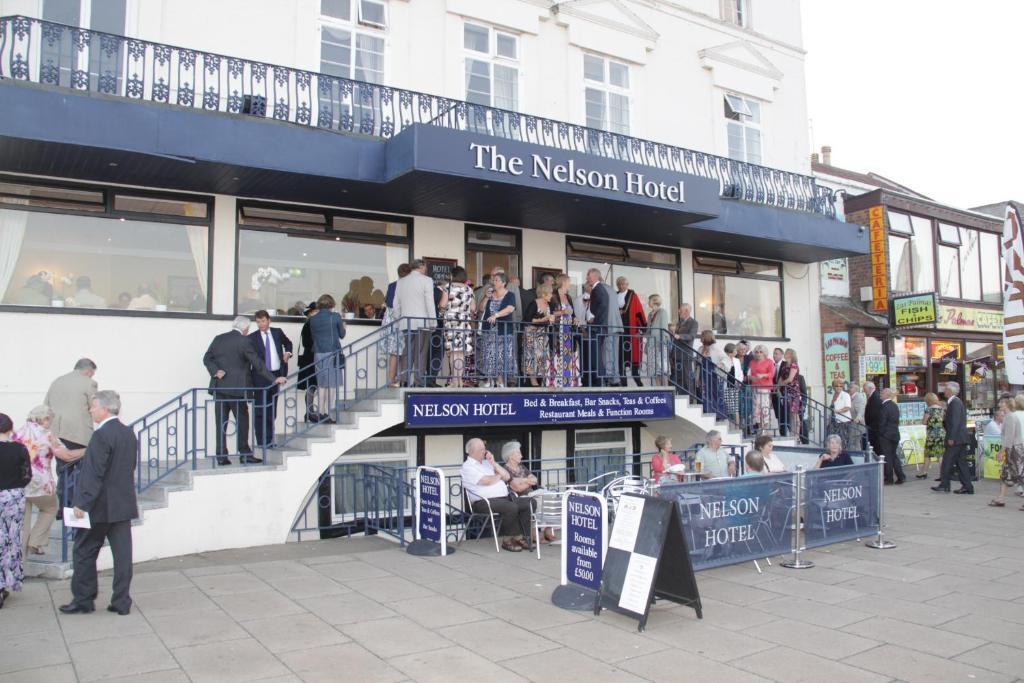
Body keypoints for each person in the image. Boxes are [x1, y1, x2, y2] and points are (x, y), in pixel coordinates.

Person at [59, 391, 138, 616]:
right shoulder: (128, 433)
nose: (91, 410)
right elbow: (128, 467)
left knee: (84, 551)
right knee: (123, 556)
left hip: (98, 506)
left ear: (104, 408)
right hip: (122, 503)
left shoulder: (101, 435)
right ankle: (122, 601)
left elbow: (93, 473)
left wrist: (81, 503)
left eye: (93, 407)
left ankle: (83, 599)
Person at [203, 316, 286, 465]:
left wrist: (215, 371)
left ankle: (221, 456)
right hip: (238, 389)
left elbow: (207, 358)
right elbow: (258, 363)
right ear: (245, 329)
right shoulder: (244, 341)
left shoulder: (219, 338)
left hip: (220, 387)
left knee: (221, 422)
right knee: (242, 422)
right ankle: (245, 454)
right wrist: (274, 378)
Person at [16, 406, 83, 556]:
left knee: (23, 523)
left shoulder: (18, 433)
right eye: (50, 421)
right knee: (51, 508)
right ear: (44, 419)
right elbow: (67, 456)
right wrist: (88, 449)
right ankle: (35, 541)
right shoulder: (47, 435)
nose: (50, 424)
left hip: (19, 482)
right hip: (40, 483)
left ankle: (21, 567)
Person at [45, 358, 98, 514]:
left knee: (63, 470)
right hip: (78, 433)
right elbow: (94, 407)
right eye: (92, 374)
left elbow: (46, 406)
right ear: (88, 371)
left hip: (57, 432)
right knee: (80, 473)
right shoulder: (89, 383)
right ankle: (75, 510)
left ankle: (63, 507)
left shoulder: (57, 381)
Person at [460, 438, 532, 552]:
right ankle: (508, 540)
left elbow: (507, 477)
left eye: (484, 449)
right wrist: (499, 476)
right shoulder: (467, 467)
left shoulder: (487, 464)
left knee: (528, 503)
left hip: (502, 498)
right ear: (473, 451)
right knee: (510, 507)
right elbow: (486, 481)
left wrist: (493, 463)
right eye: (482, 449)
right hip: (483, 502)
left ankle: (523, 536)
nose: (485, 451)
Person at [0, 413, 31, 609]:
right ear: (10, 429)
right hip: (13, 497)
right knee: (9, 541)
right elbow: (27, 475)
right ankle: (4, 583)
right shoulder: (19, 449)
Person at [248, 310, 293, 448]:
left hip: (276, 375)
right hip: (260, 377)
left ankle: (270, 439)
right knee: (261, 409)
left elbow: (288, 343)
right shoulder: (252, 337)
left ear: (269, 321)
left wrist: (288, 353)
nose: (260, 324)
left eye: (263, 321)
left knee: (271, 410)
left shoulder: (277, 332)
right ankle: (262, 441)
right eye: (258, 322)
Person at [391, 259, 437, 387]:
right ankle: (419, 381)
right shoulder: (426, 280)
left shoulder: (401, 281)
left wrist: (398, 319)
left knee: (407, 352)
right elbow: (429, 302)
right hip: (423, 323)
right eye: (425, 266)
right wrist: (433, 322)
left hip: (406, 323)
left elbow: (396, 304)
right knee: (421, 353)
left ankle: (404, 380)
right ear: (421, 267)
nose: (426, 269)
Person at [501, 441, 555, 543]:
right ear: (511, 456)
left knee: (550, 497)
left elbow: (534, 479)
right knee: (539, 500)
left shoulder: (521, 467)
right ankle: (535, 532)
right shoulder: (505, 470)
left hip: (530, 493)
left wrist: (524, 481)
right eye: (518, 453)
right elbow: (517, 488)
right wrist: (527, 481)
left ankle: (547, 528)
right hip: (518, 497)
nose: (521, 455)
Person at [308, 294, 346, 418]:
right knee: (332, 385)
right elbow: (341, 335)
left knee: (322, 385)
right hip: (332, 353)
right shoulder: (335, 316)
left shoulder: (312, 319)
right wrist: (344, 327)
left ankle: (321, 412)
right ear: (331, 304)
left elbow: (313, 337)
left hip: (318, 353)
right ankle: (329, 413)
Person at [479, 272, 518, 387]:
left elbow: (510, 309)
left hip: (503, 330)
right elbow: (481, 308)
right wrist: (486, 297)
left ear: (503, 283)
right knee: (489, 355)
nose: (493, 282)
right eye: (493, 280)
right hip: (489, 330)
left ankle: (500, 381)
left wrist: (496, 315)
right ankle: (490, 380)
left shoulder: (510, 295)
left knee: (501, 356)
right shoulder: (490, 294)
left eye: (496, 280)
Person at [934, 381, 971, 494]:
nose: (943, 391)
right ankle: (967, 487)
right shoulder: (954, 402)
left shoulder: (954, 403)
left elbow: (955, 422)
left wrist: (951, 437)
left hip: (956, 439)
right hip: (960, 438)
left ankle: (944, 484)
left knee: (947, 461)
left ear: (950, 391)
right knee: (961, 463)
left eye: (945, 389)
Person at [587, 268, 622, 386]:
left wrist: (595, 321)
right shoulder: (610, 288)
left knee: (607, 353)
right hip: (615, 324)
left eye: (589, 277)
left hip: (607, 325)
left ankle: (610, 381)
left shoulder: (598, 289)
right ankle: (614, 379)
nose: (587, 279)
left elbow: (602, 307)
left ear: (596, 277)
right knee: (612, 354)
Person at [443, 265, 476, 388]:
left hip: (451, 323)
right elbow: (473, 308)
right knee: (461, 354)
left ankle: (454, 381)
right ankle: (460, 380)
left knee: (452, 353)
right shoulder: (469, 289)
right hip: (464, 323)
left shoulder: (449, 287)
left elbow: (443, 304)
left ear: (453, 276)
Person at [989, 394, 1024, 508]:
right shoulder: (1010, 416)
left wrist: (1001, 452)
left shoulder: (1010, 417)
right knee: (1006, 474)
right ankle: (1001, 498)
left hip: (1014, 450)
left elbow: (1009, 437)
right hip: (1014, 449)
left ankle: (1001, 498)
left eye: (1001, 403)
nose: (999, 404)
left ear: (1007, 404)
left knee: (1019, 474)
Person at [382, 263, 411, 387]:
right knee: (402, 352)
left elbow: (388, 302)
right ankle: (400, 379)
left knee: (394, 353)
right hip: (401, 321)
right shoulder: (408, 287)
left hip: (390, 322)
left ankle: (392, 379)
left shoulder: (392, 285)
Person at [616, 276, 647, 387]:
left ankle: (639, 382)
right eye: (619, 284)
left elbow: (639, 312)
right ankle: (623, 383)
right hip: (619, 330)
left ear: (627, 285)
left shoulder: (632, 295)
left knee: (632, 357)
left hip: (631, 330)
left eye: (624, 284)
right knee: (620, 358)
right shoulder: (615, 295)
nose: (622, 286)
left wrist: (642, 329)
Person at [549, 274, 579, 388]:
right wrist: (563, 312)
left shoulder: (569, 297)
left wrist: (575, 318)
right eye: (569, 282)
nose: (570, 284)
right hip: (557, 330)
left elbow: (572, 313)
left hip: (568, 330)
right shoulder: (553, 296)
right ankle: (556, 381)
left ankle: (568, 380)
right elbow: (550, 313)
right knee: (557, 353)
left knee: (568, 354)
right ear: (563, 282)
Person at [523, 284, 555, 386]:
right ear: (544, 294)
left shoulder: (550, 305)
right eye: (550, 293)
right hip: (531, 334)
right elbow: (527, 319)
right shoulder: (534, 303)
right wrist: (541, 320)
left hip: (543, 334)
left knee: (542, 357)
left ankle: (542, 379)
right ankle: (533, 381)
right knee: (531, 357)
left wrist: (551, 320)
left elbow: (551, 319)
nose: (551, 295)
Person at [296, 301, 321, 423]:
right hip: (310, 358)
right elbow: (306, 343)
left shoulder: (311, 324)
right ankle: (310, 412)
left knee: (313, 386)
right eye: (315, 311)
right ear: (310, 313)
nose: (317, 314)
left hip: (311, 358)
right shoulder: (309, 325)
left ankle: (310, 412)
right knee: (312, 386)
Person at [876, 387, 906, 485]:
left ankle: (889, 479)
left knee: (887, 457)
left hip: (886, 435)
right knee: (893, 456)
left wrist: (881, 433)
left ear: (887, 395)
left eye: (882, 393)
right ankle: (901, 476)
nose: (880, 394)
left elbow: (882, 422)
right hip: (895, 434)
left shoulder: (884, 406)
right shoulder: (894, 405)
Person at [698, 330, 726, 419]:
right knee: (704, 393)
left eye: (702, 336)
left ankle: (718, 414)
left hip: (713, 374)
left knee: (714, 393)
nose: (700, 338)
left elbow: (725, 359)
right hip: (703, 373)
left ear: (706, 337)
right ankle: (707, 411)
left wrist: (721, 364)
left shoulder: (715, 348)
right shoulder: (701, 348)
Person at [670, 303, 699, 393]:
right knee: (678, 378)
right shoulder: (679, 322)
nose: (679, 312)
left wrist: (680, 336)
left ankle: (690, 399)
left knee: (686, 378)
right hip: (676, 354)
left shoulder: (693, 323)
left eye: (680, 310)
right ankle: (681, 397)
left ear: (686, 311)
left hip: (685, 354)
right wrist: (673, 332)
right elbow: (675, 337)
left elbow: (691, 336)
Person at [642, 294, 670, 385]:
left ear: (654, 301)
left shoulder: (662, 312)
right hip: (651, 344)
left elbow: (664, 328)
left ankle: (665, 390)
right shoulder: (650, 314)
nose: (648, 302)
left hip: (660, 344)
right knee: (654, 371)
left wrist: (663, 343)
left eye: (649, 300)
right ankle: (658, 390)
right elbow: (648, 330)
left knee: (662, 370)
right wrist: (642, 334)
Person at [748, 345, 775, 433]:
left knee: (765, 408)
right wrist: (752, 378)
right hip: (755, 388)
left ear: (764, 353)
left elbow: (772, 374)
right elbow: (748, 374)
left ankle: (765, 429)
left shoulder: (769, 362)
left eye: (761, 352)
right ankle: (760, 429)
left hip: (765, 388)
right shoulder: (752, 362)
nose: (758, 354)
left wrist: (763, 375)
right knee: (756, 409)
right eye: (757, 352)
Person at [918, 392, 946, 480]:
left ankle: (924, 472)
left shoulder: (929, 409)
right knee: (940, 454)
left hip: (932, 434)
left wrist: (929, 422)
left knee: (927, 454)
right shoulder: (941, 409)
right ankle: (942, 474)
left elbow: (924, 422)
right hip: (941, 433)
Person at [779, 349, 802, 440]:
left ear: (791, 355)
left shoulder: (794, 365)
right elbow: (781, 377)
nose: (785, 354)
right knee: (790, 413)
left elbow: (790, 379)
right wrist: (777, 386)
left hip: (793, 391)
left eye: (787, 353)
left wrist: (780, 384)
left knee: (794, 413)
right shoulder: (785, 365)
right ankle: (793, 433)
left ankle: (797, 435)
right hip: (786, 391)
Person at [720, 343, 744, 426]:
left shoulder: (736, 360)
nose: (736, 352)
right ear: (731, 351)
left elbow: (740, 373)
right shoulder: (723, 359)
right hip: (725, 386)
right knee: (727, 408)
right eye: (735, 350)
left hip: (734, 386)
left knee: (735, 409)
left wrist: (739, 382)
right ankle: (728, 426)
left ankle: (737, 427)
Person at [829, 379, 853, 448]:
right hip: (834, 420)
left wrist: (838, 411)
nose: (839, 387)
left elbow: (848, 407)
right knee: (834, 439)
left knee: (843, 439)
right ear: (833, 387)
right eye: (836, 386)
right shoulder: (832, 395)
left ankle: (843, 454)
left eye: (841, 386)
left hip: (844, 420)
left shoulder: (846, 395)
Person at [863, 381, 882, 456]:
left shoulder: (875, 397)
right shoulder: (872, 396)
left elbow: (874, 413)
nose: (864, 391)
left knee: (876, 449)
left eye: (865, 389)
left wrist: (870, 424)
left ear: (870, 388)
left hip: (874, 428)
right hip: (871, 427)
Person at [771, 347, 787, 435]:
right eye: (774, 353)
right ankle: (782, 432)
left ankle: (785, 432)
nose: (774, 355)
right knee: (778, 415)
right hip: (774, 394)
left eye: (776, 353)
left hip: (784, 393)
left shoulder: (785, 364)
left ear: (782, 355)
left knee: (785, 414)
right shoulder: (772, 366)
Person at [849, 382, 867, 452]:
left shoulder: (858, 397)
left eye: (851, 387)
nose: (849, 389)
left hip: (857, 425)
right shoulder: (851, 397)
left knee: (856, 444)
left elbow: (861, 410)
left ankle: (858, 459)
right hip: (852, 425)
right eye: (849, 387)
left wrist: (858, 418)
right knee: (853, 443)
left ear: (856, 389)